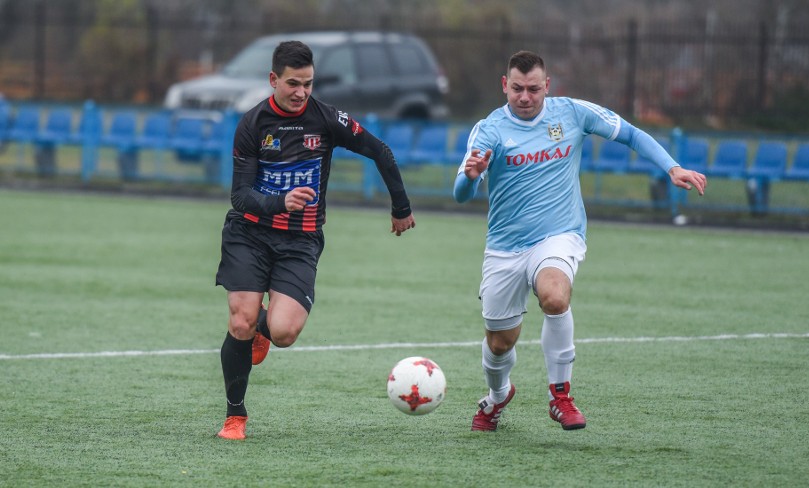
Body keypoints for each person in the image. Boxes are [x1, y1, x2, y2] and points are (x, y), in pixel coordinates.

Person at [453, 51, 706, 432]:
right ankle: (499, 394)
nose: (525, 97)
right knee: (500, 342)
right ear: (505, 85)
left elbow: (631, 134)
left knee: (555, 296)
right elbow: (460, 194)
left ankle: (561, 396)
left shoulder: (571, 113)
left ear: (547, 86)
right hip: (505, 246)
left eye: (533, 89)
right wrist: (471, 177)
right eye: (517, 89)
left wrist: (672, 166)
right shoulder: (488, 130)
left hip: (560, 235)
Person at [215, 40, 416, 440]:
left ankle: (263, 327)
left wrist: (400, 206)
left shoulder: (326, 119)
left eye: (308, 83)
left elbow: (380, 151)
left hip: (300, 241)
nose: (301, 92)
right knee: (239, 320)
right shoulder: (252, 124)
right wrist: (280, 201)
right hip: (249, 233)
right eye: (292, 83)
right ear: (273, 80)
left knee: (284, 332)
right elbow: (239, 196)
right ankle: (235, 415)